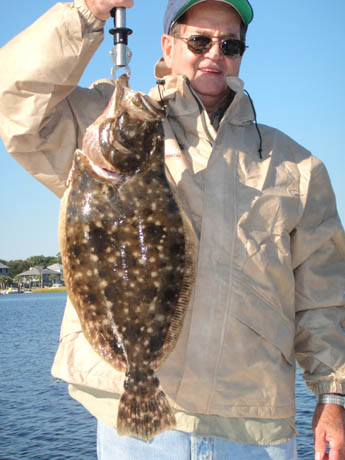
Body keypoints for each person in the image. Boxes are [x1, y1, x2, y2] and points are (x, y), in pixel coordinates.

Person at [0, 0, 345, 459]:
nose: (214, 54)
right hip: (133, 427)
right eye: (199, 40)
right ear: (168, 44)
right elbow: (15, 99)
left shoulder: (297, 167)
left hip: (254, 428)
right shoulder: (115, 126)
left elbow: (323, 297)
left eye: (231, 45)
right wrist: (86, 13)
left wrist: (332, 398)